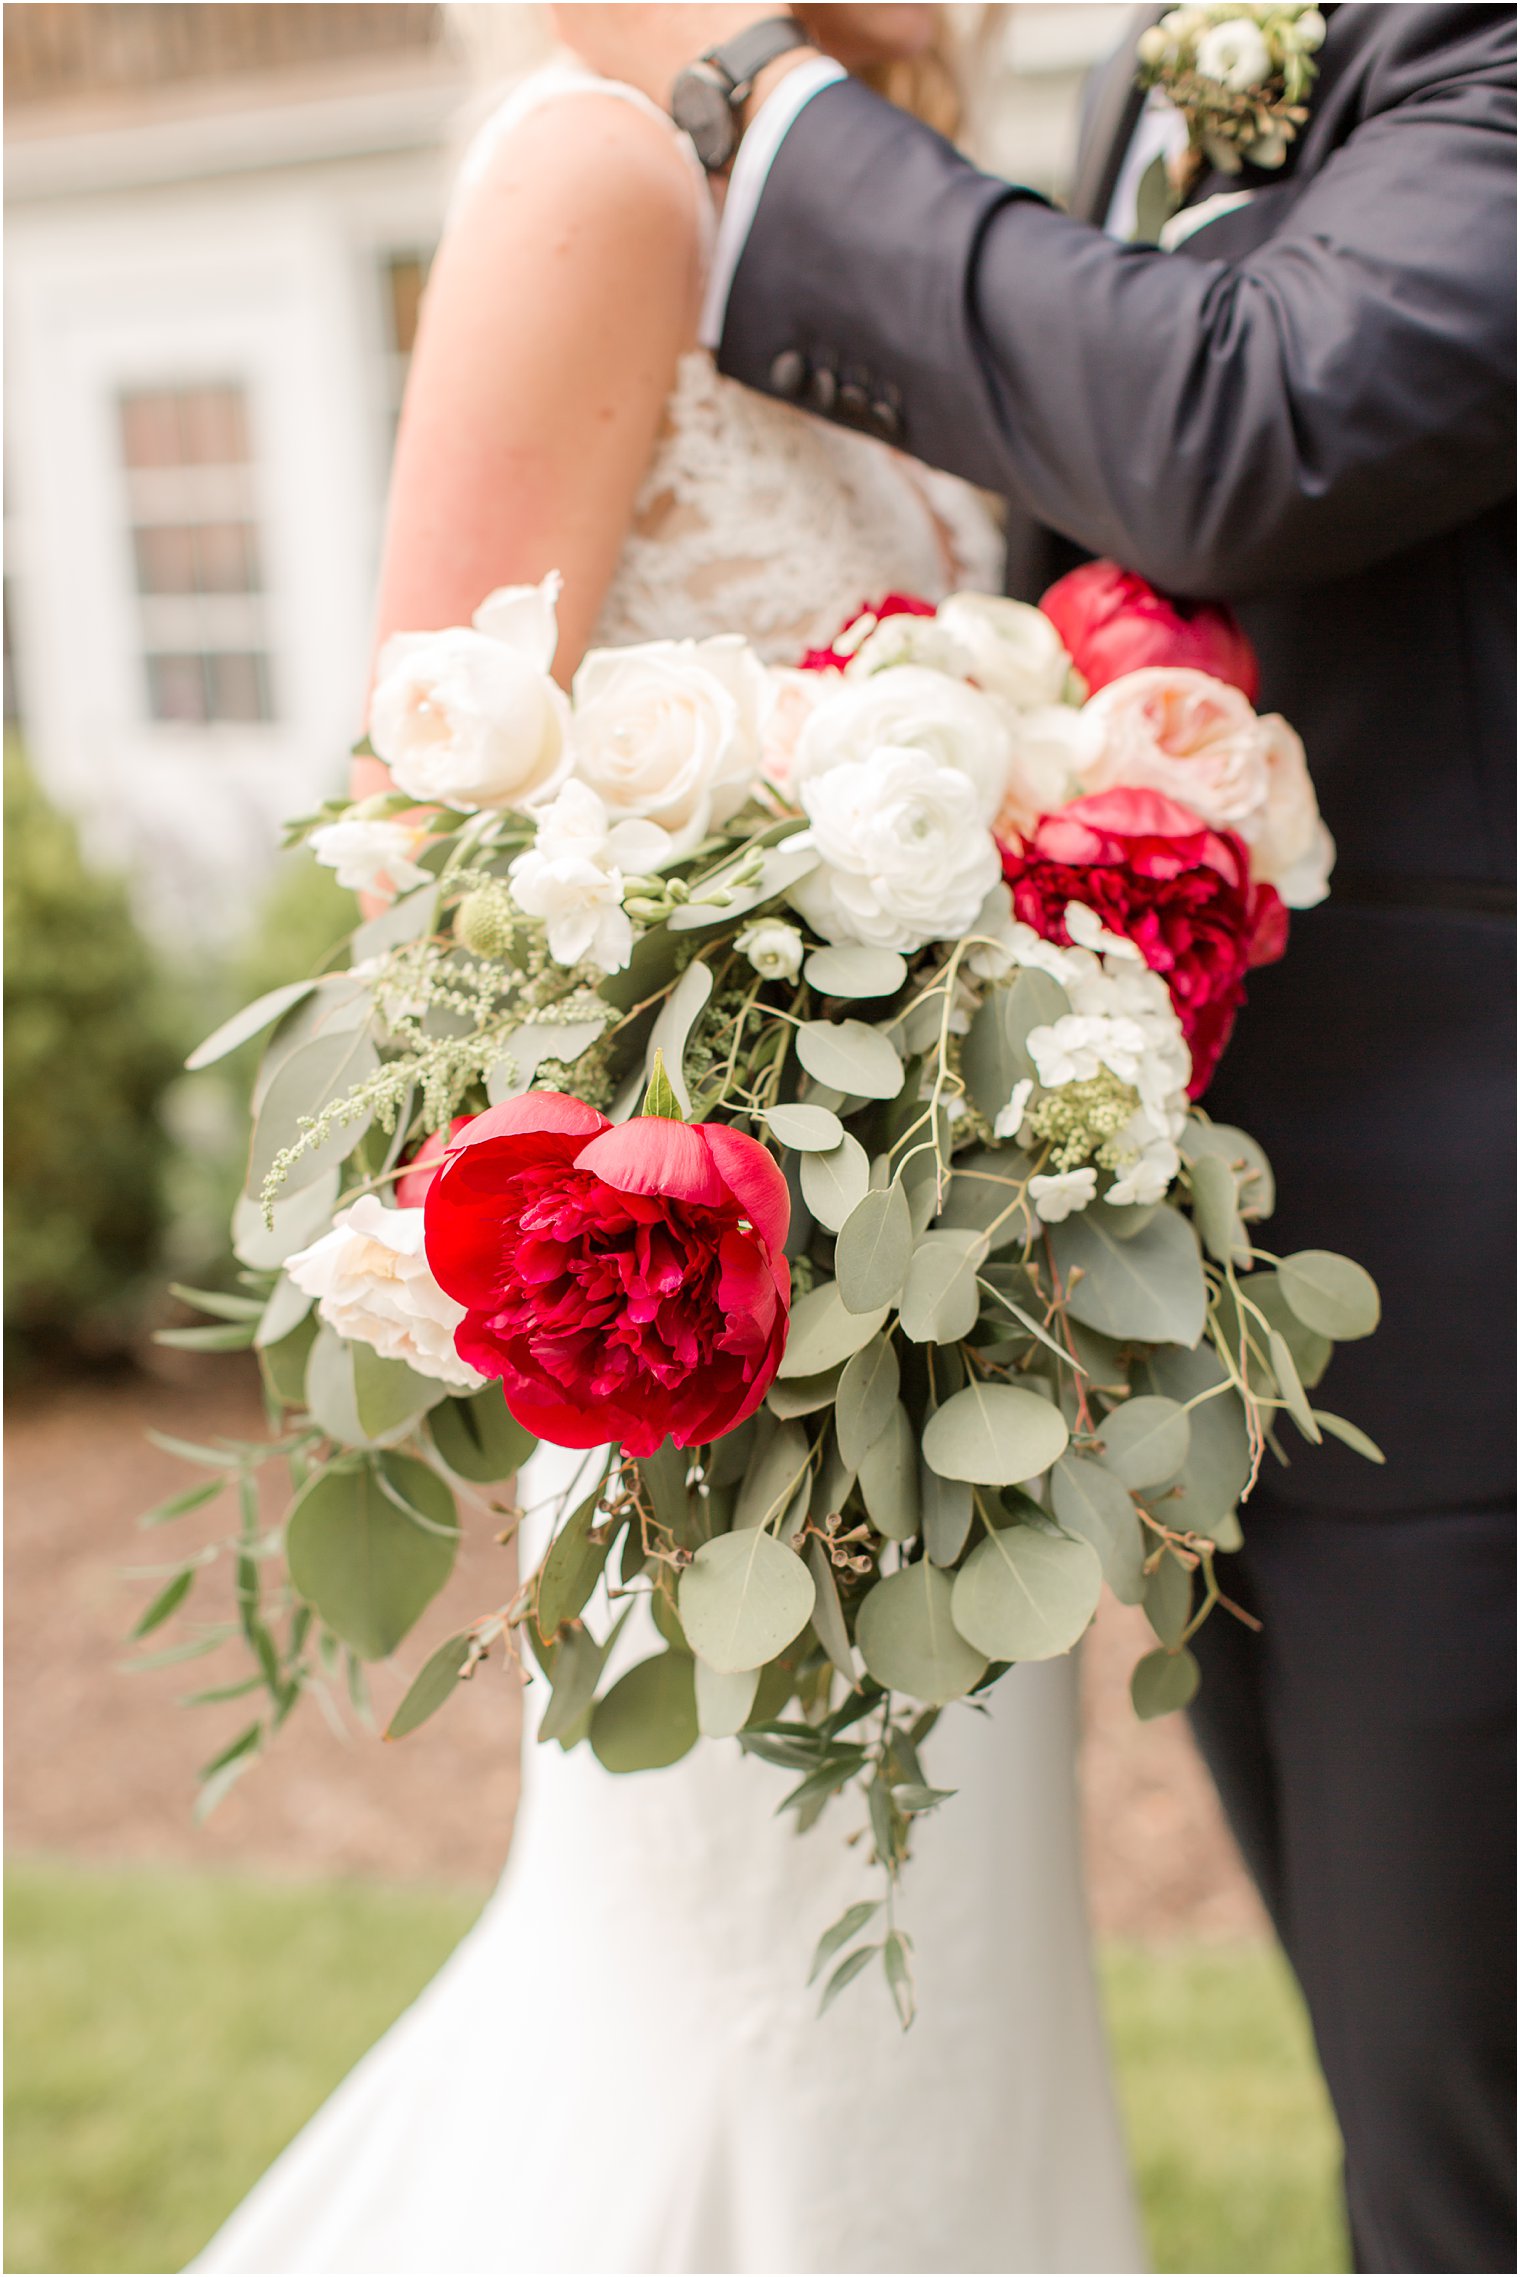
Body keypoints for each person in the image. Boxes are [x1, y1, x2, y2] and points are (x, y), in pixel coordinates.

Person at [562, 5, 1519, 2272]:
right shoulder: (1130, 79)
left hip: (1473, 1292)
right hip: (1230, 1318)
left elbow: (1235, 421)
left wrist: (756, 108)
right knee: (1423, 2138)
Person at [193, 11, 1143, 2272]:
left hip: (939, 1342)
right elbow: (422, 826)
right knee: (757, 2026)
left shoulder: (863, 181)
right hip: (714, 1351)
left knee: (945, 2014)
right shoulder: (603, 172)